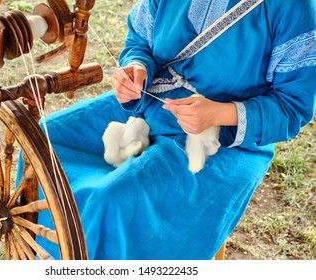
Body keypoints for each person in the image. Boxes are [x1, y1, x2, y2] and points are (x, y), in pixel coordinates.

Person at [29, 0, 316, 259]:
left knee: (114, 199)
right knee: (43, 139)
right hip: (151, 100)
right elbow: (140, 40)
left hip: (223, 138)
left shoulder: (292, 7)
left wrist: (218, 113)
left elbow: (292, 108)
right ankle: (45, 254)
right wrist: (136, 68)